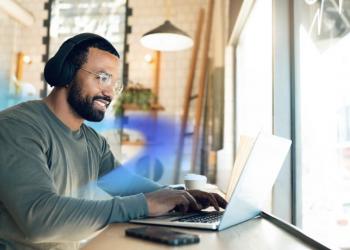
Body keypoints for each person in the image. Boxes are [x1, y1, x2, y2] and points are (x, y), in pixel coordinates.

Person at [0, 33, 226, 250]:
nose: (109, 92)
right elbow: (39, 219)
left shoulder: (92, 141)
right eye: (102, 77)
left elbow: (124, 184)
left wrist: (177, 196)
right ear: (67, 74)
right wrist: (145, 204)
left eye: (114, 84)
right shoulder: (17, 127)